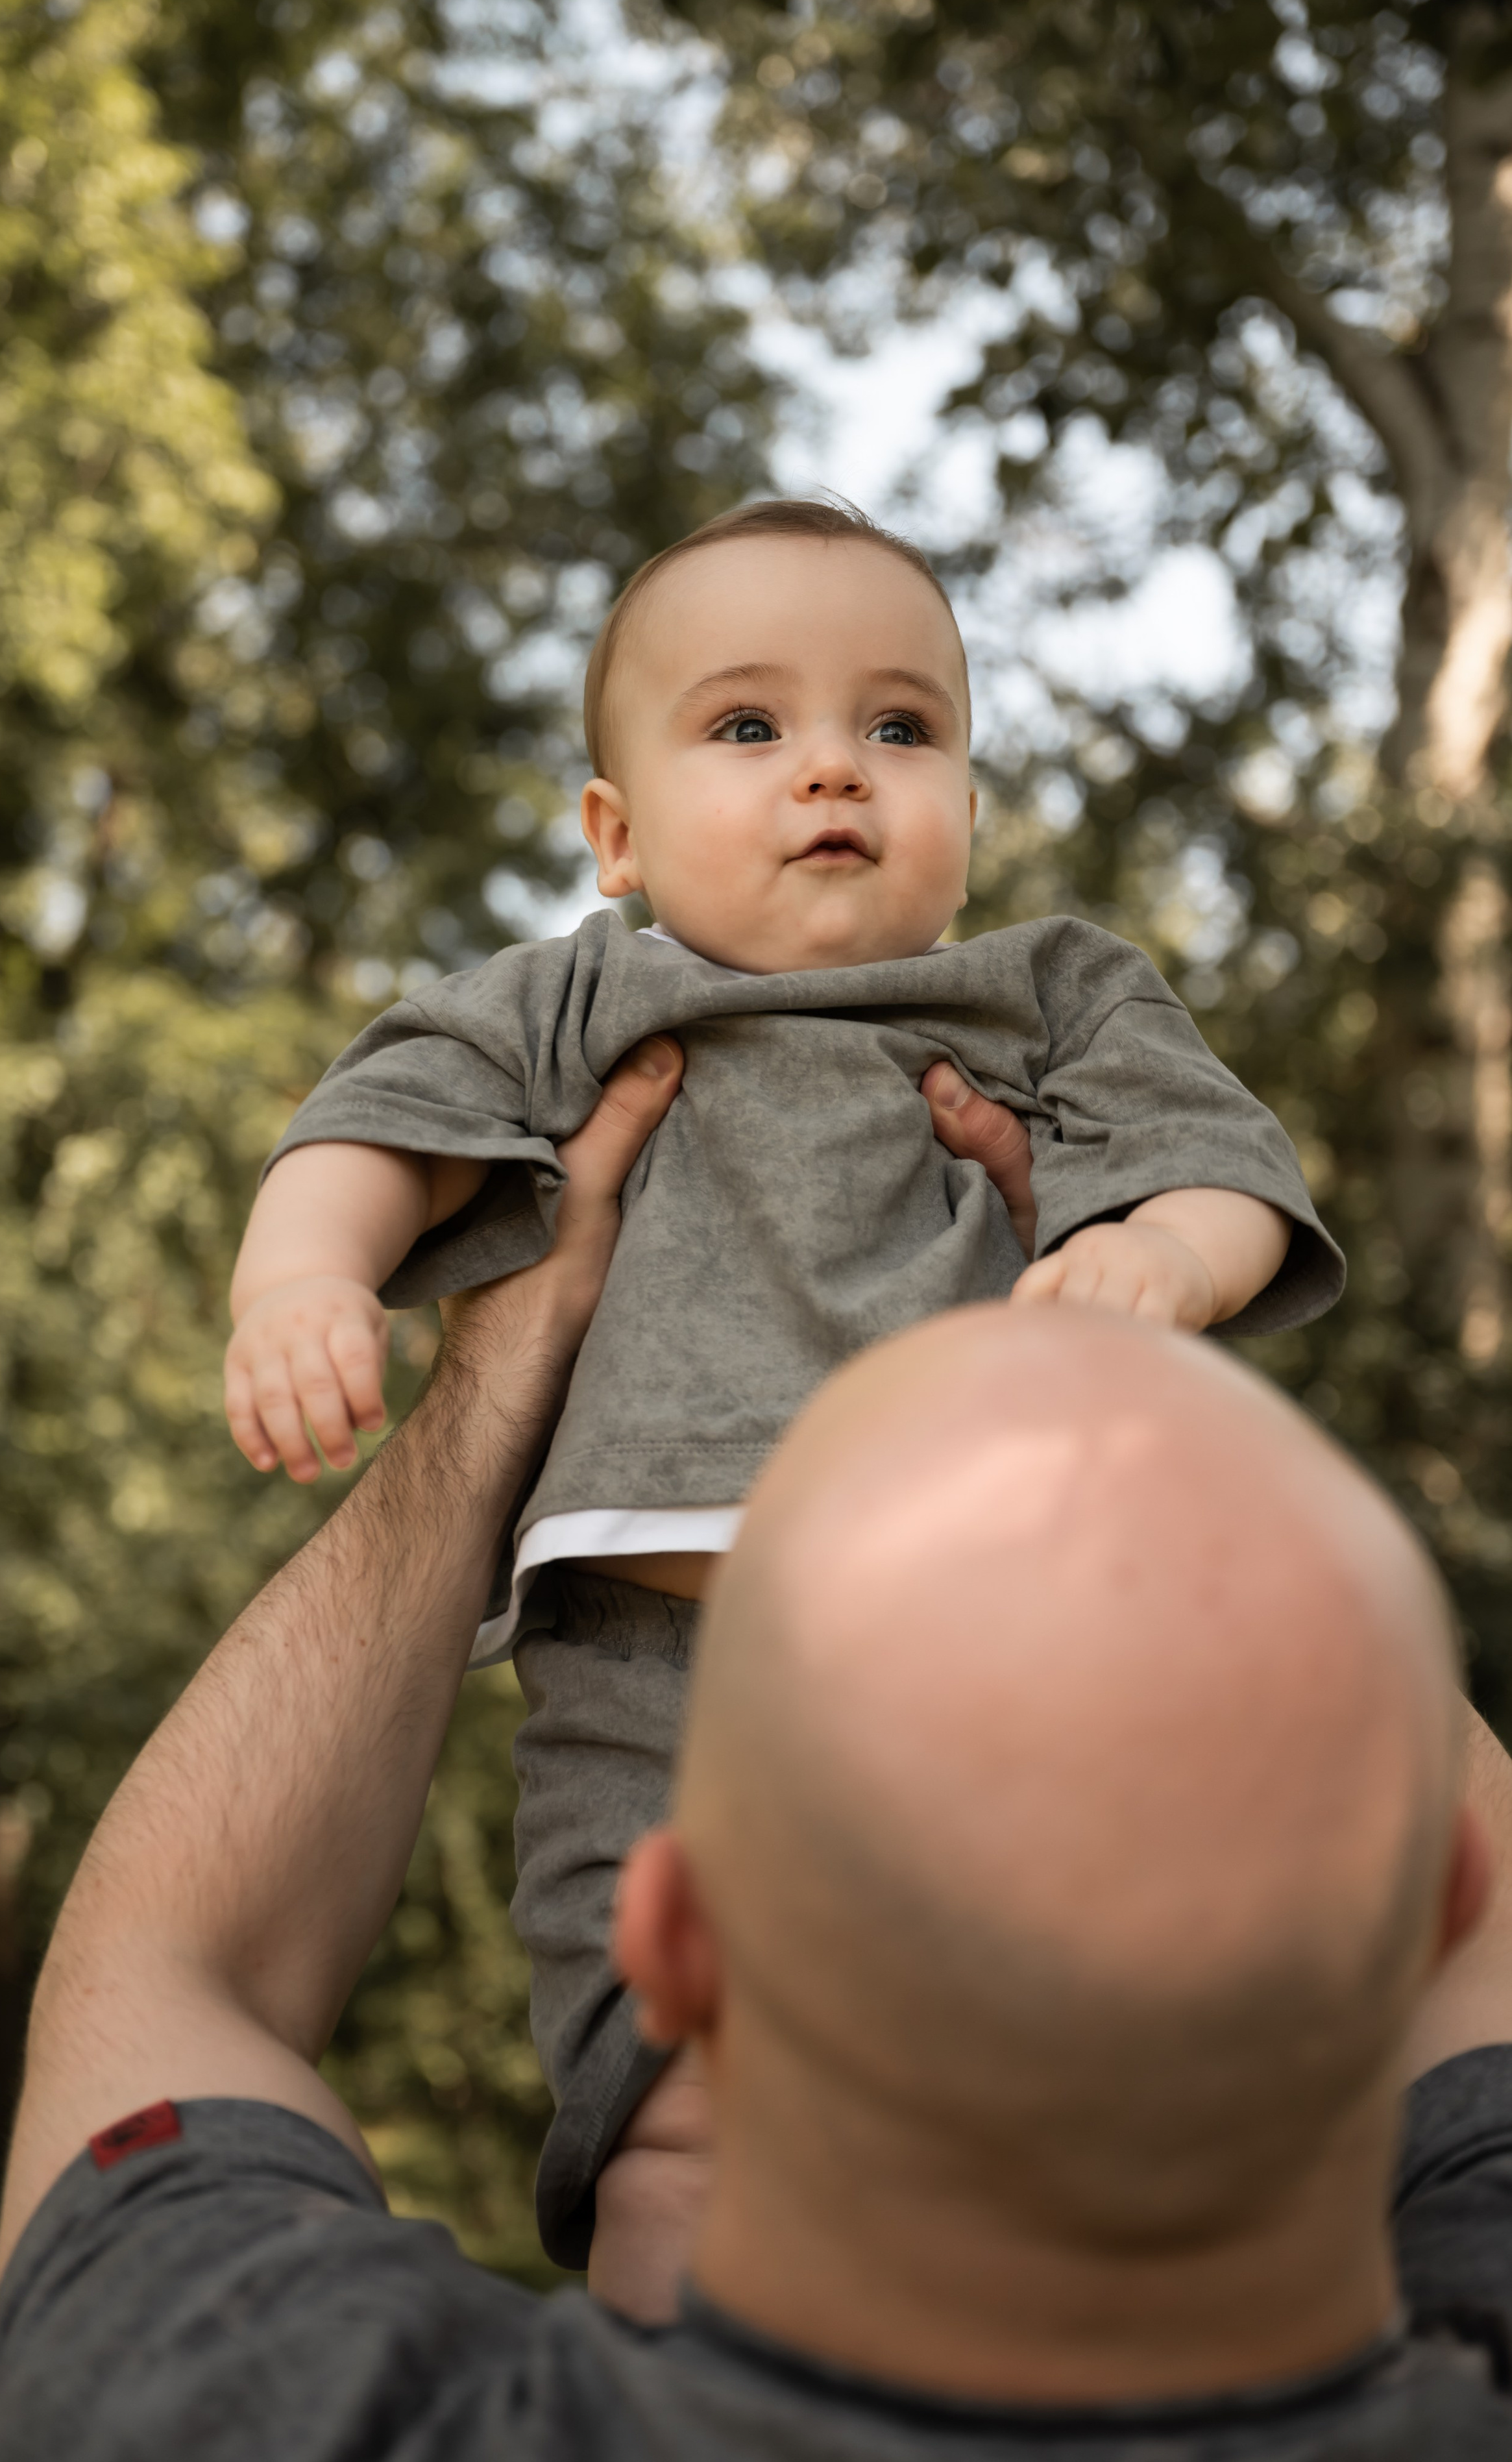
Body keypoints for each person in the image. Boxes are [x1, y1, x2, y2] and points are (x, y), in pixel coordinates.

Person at [0, 1040, 1512, 2458]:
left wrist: (503, 1375)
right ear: (1426, 1897)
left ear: (672, 1936)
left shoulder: (268, 2408)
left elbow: (170, 1964)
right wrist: (1123, 1352)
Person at [221, 497, 1345, 2295]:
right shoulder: (583, 995)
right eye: (749, 727)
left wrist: (1162, 1261)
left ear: (968, 815)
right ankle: (690, 2376)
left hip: (997, 1657)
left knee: (1054, 2065)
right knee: (673, 2104)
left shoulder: (1045, 994)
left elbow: (1224, 1168)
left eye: (900, 728)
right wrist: (302, 1277)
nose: (834, 769)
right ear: (617, 834)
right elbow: (374, 1126)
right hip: (660, 1682)